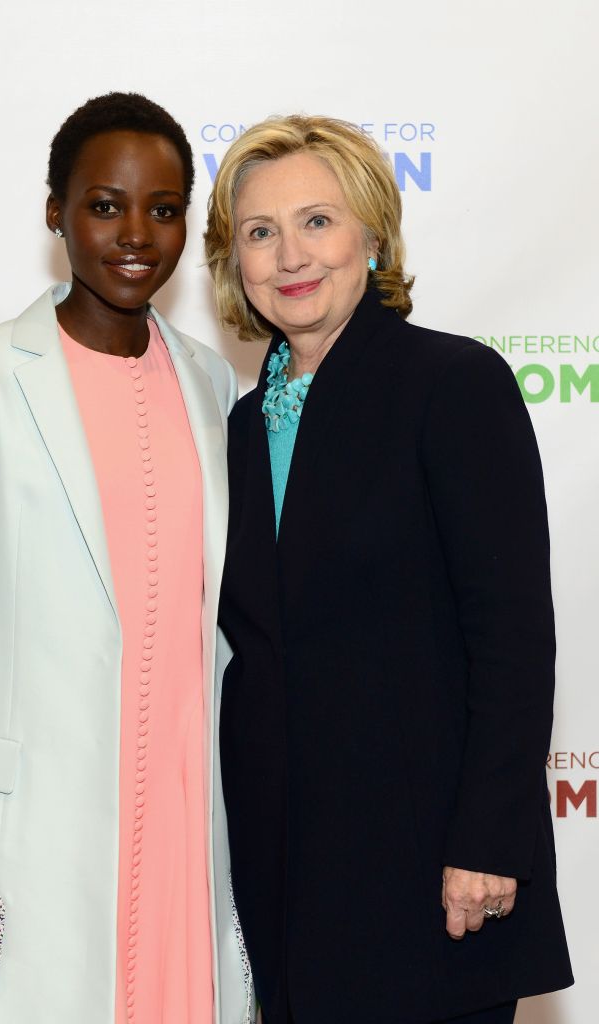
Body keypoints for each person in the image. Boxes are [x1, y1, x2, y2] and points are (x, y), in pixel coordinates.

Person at [0, 92, 252, 1024]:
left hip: (183, 819)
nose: (136, 235)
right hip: (32, 821)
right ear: (56, 212)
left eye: (164, 209)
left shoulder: (209, 380)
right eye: (105, 205)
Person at [204, 115, 573, 1024]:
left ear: (371, 238)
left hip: (433, 873)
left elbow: (513, 638)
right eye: (260, 232)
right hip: (284, 875)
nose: (291, 255)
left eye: (317, 221)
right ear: (236, 263)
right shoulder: (237, 431)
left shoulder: (451, 383)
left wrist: (490, 840)